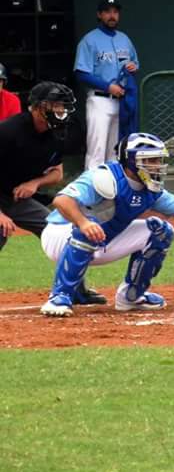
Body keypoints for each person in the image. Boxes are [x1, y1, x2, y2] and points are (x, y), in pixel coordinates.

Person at [39, 132, 174, 317]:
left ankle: (131, 296)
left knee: (162, 231)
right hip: (60, 236)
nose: (156, 165)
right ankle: (60, 297)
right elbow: (62, 200)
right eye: (149, 160)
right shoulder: (104, 177)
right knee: (89, 225)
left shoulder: (150, 188)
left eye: (158, 160)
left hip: (102, 240)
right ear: (131, 161)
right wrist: (83, 223)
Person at [0, 81, 106, 305]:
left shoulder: (57, 134)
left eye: (63, 106)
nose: (61, 111)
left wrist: (34, 183)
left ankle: (75, 289)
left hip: (17, 197)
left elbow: (58, 174)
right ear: (37, 107)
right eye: (55, 105)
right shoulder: (8, 131)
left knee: (59, 230)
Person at [74, 0, 139, 170]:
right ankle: (91, 191)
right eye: (107, 12)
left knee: (116, 150)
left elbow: (134, 63)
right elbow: (81, 73)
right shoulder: (89, 40)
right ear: (99, 15)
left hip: (122, 101)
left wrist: (133, 66)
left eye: (115, 12)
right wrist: (107, 86)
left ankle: (111, 191)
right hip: (100, 100)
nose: (112, 16)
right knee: (97, 150)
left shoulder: (124, 39)